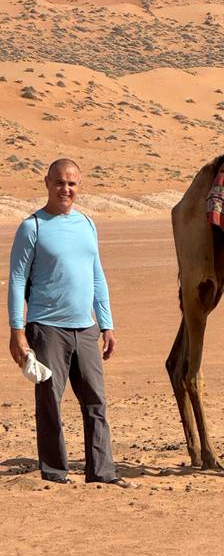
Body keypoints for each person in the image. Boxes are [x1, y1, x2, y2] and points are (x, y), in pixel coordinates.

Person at [8, 158, 128, 487]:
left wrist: (106, 323)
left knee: (96, 401)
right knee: (49, 402)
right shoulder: (32, 226)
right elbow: (17, 281)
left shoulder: (87, 224)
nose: (66, 189)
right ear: (47, 183)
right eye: (60, 182)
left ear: (79, 185)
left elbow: (96, 275)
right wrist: (17, 331)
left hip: (85, 328)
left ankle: (101, 473)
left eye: (72, 184)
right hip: (46, 329)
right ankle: (55, 472)